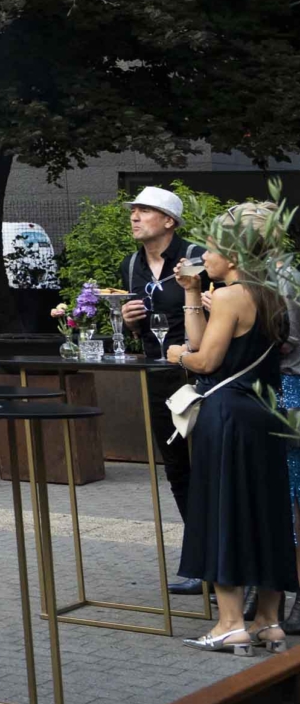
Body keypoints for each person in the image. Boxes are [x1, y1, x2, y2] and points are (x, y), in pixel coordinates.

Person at [166, 201, 298, 652]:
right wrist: (191, 294)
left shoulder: (228, 297)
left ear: (235, 255)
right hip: (267, 413)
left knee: (223, 511)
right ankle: (267, 622)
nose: (204, 256)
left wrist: (177, 356)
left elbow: (205, 359)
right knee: (268, 513)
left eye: (211, 248)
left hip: (227, 415)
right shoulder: (272, 294)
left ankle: (228, 623)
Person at [116, 185, 206, 595]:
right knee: (177, 468)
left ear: (169, 221)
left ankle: (225, 563)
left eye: (144, 211)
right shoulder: (131, 264)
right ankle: (201, 561)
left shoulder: (197, 257)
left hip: (200, 375)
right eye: (133, 211)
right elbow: (136, 333)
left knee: (208, 466)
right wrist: (129, 320)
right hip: (157, 375)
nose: (134, 217)